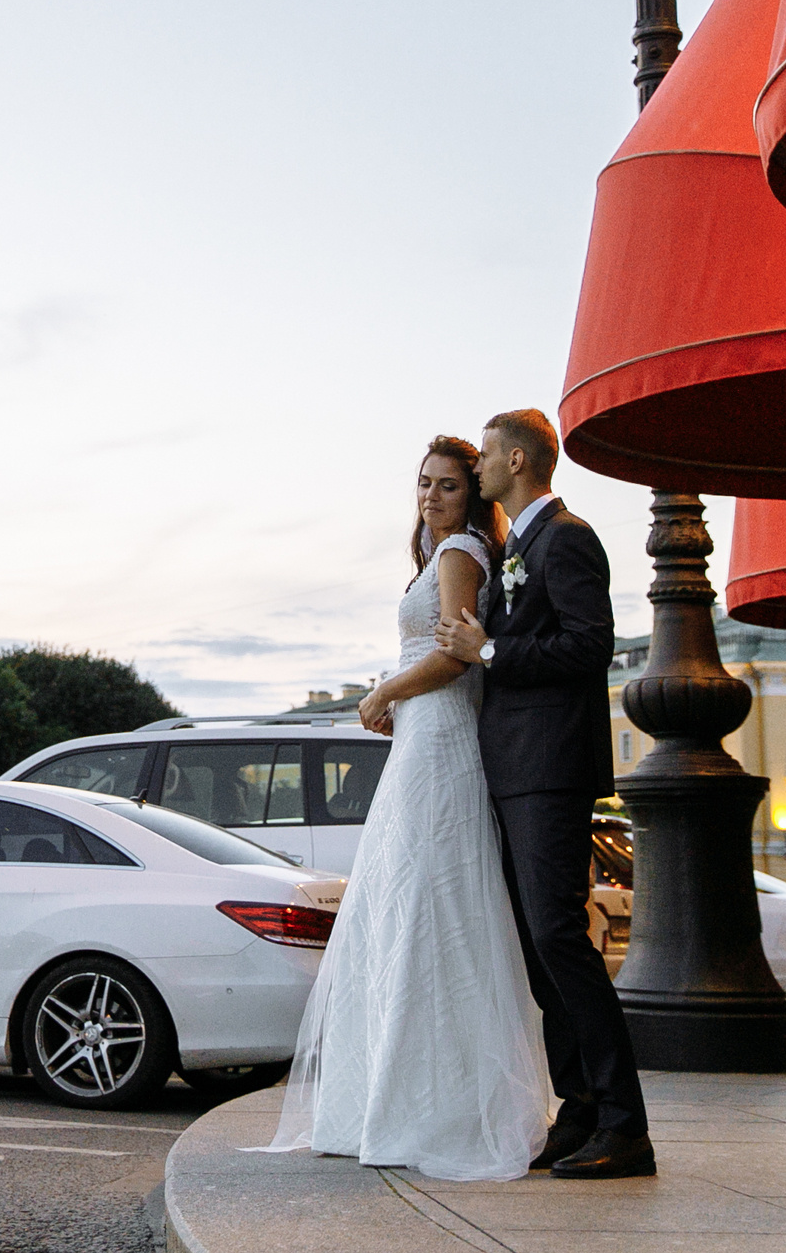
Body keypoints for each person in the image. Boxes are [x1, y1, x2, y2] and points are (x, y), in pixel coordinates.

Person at [258, 435, 553, 1180]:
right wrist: (398, 698)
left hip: (439, 738)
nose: (431, 495)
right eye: (424, 483)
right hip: (421, 735)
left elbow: (457, 651)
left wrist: (387, 690)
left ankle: (428, 1104)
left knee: (426, 902)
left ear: (473, 495)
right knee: (406, 903)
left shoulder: (460, 550)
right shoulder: (436, 552)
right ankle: (390, 1095)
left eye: (448, 484)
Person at [436, 409, 652, 1179]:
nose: (482, 468)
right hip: (513, 768)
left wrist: (491, 648)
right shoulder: (518, 545)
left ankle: (626, 1125)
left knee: (560, 936)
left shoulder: (568, 536)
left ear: (517, 459)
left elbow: (594, 643)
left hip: (551, 768)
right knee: (537, 944)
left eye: (488, 455)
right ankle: (581, 1107)